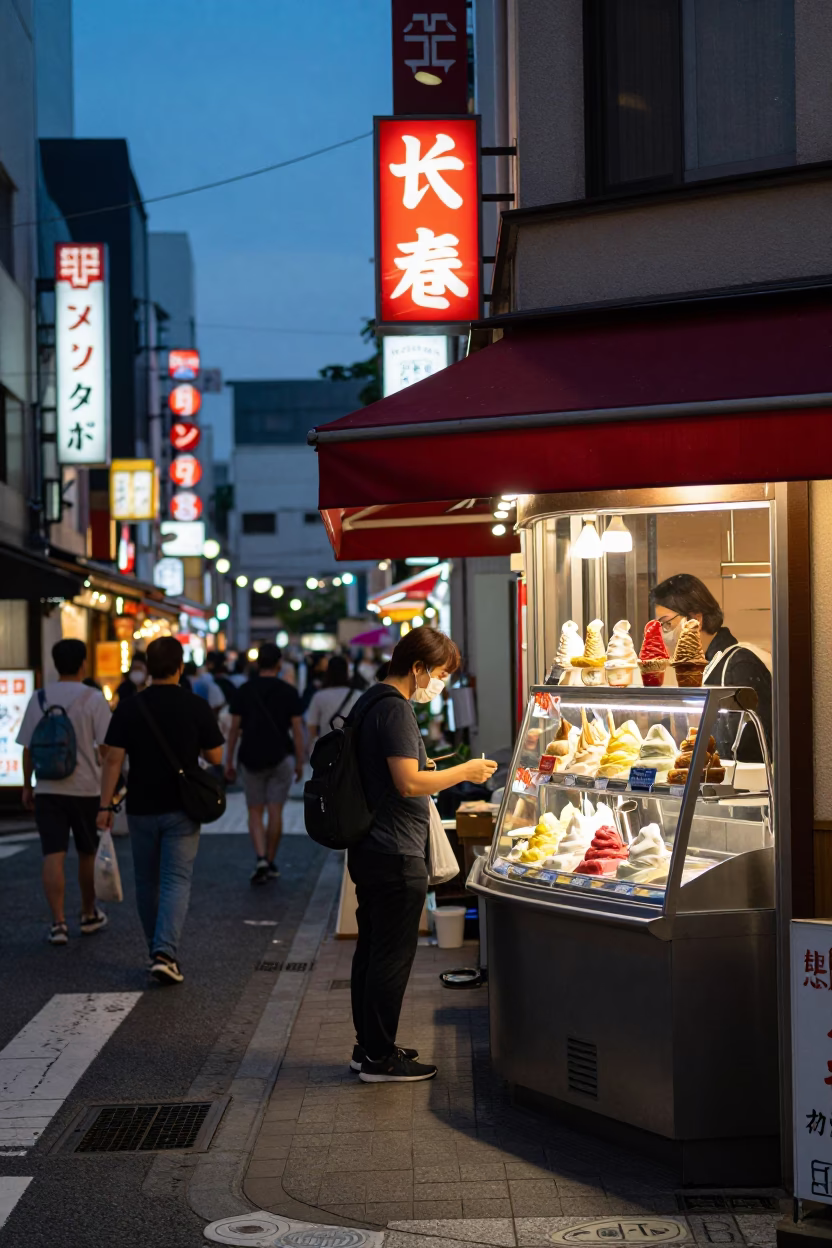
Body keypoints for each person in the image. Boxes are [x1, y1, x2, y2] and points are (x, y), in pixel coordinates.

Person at [348, 626, 497, 1083]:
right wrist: (463, 771)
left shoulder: (371, 700)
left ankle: (370, 1047)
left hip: (372, 847)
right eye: (441, 674)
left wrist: (426, 765)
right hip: (395, 851)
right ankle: (380, 1059)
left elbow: (394, 772)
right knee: (390, 957)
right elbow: (408, 783)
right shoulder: (394, 709)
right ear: (417, 668)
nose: (442, 683)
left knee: (372, 952)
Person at [97, 636, 224, 984]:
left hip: (140, 805)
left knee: (147, 881)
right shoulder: (195, 705)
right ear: (180, 667)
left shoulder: (129, 707)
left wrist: (105, 804)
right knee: (176, 879)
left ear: (147, 669)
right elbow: (216, 757)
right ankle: (165, 952)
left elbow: (112, 760)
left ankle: (158, 950)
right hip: (183, 806)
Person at [17, 639, 112, 945]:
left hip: (47, 787)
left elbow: (28, 747)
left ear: (55, 664)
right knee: (87, 852)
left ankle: (58, 923)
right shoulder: (94, 698)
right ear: (83, 663)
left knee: (53, 854)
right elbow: (107, 747)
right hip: (85, 788)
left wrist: (27, 785)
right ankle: (87, 913)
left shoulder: (40, 698)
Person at [651, 572, 772, 761]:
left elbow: (750, 748)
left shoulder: (738, 664)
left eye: (667, 624)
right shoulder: (704, 666)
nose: (663, 633)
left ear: (696, 620)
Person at [225, 642, 304, 884]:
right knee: (275, 810)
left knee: (255, 811)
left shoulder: (244, 691)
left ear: (257, 663)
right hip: (280, 756)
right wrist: (301, 761)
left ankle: (260, 857)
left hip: (250, 757)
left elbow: (234, 729)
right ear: (279, 664)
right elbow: (297, 730)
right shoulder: (288, 691)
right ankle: (270, 860)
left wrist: (228, 760)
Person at [305, 655, 361, 746]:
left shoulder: (319, 696)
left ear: (328, 672)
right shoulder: (358, 695)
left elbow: (312, 726)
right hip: (350, 748)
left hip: (327, 749)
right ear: (346, 672)